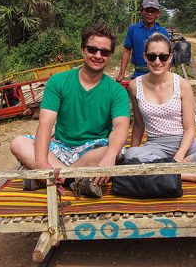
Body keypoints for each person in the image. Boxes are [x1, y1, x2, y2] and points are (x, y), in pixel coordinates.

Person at [10, 24, 130, 198]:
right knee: (19, 143)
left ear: (110, 56)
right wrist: (42, 162)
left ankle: (50, 178)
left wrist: (109, 156)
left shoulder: (116, 91)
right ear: (83, 50)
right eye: (92, 49)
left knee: (116, 151)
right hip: (61, 147)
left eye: (104, 52)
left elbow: (121, 127)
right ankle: (73, 180)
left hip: (94, 149)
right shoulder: (58, 82)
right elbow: (45, 124)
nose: (98, 56)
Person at [124, 33, 196, 185]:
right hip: (156, 146)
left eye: (163, 57)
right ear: (145, 57)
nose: (157, 62)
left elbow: (189, 129)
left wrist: (179, 157)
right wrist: (132, 159)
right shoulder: (135, 86)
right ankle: (195, 176)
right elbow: (139, 125)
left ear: (170, 57)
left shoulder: (182, 85)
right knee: (130, 155)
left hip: (185, 144)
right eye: (152, 57)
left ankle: (165, 172)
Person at [115, 0, 169, 82]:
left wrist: (167, 74)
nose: (150, 14)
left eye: (153, 11)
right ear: (141, 11)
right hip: (139, 74)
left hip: (158, 73)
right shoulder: (133, 29)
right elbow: (127, 50)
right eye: (147, 10)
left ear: (158, 14)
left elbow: (167, 56)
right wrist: (122, 73)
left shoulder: (163, 32)